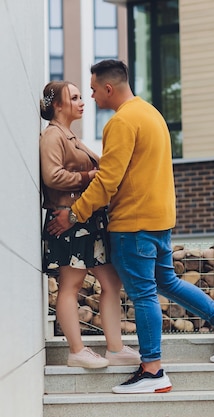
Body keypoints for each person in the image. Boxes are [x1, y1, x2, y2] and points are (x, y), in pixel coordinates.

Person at [47, 60, 214, 394]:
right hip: (159, 221)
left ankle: (152, 371)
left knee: (144, 293)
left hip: (134, 223)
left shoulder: (121, 122)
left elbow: (107, 182)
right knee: (166, 282)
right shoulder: (151, 114)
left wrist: (73, 214)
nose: (91, 95)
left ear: (108, 88)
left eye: (93, 89)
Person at [40, 80, 141, 369]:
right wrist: (90, 176)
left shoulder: (69, 136)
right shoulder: (53, 136)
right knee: (70, 284)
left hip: (84, 219)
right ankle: (76, 350)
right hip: (67, 219)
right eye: (74, 97)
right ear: (57, 105)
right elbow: (52, 176)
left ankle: (116, 348)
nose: (83, 101)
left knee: (111, 281)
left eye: (83, 96)